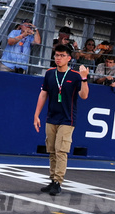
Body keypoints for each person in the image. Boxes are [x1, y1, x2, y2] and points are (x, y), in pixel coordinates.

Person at [33, 43, 90, 196]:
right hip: (51, 117)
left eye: (62, 55)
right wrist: (36, 114)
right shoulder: (50, 73)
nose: (58, 58)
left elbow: (84, 95)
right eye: (57, 55)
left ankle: (58, 181)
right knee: (51, 150)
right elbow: (43, 94)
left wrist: (84, 78)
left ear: (69, 58)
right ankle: (52, 180)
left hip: (67, 118)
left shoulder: (75, 76)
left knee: (61, 151)